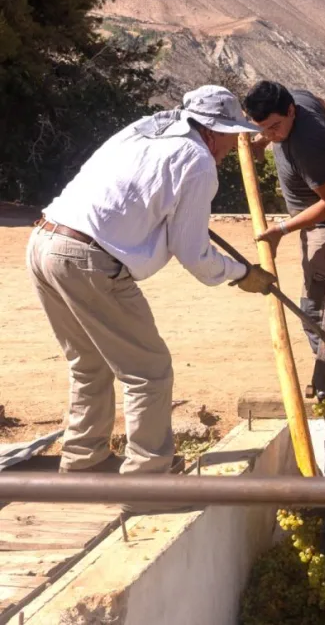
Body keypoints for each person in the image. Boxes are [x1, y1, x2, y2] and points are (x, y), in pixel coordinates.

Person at [27, 85, 276, 482]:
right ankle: (147, 480)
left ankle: (84, 462)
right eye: (230, 135)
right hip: (89, 259)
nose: (232, 145)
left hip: (45, 241)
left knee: (89, 364)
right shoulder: (197, 161)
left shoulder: (146, 129)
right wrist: (243, 274)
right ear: (212, 131)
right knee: (149, 372)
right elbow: (193, 254)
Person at [242, 81, 325, 356]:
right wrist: (262, 141)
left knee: (316, 310)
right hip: (313, 219)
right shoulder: (299, 100)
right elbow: (320, 102)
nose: (271, 134)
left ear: (291, 111)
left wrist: (280, 229)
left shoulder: (308, 146)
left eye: (274, 127)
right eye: (262, 128)